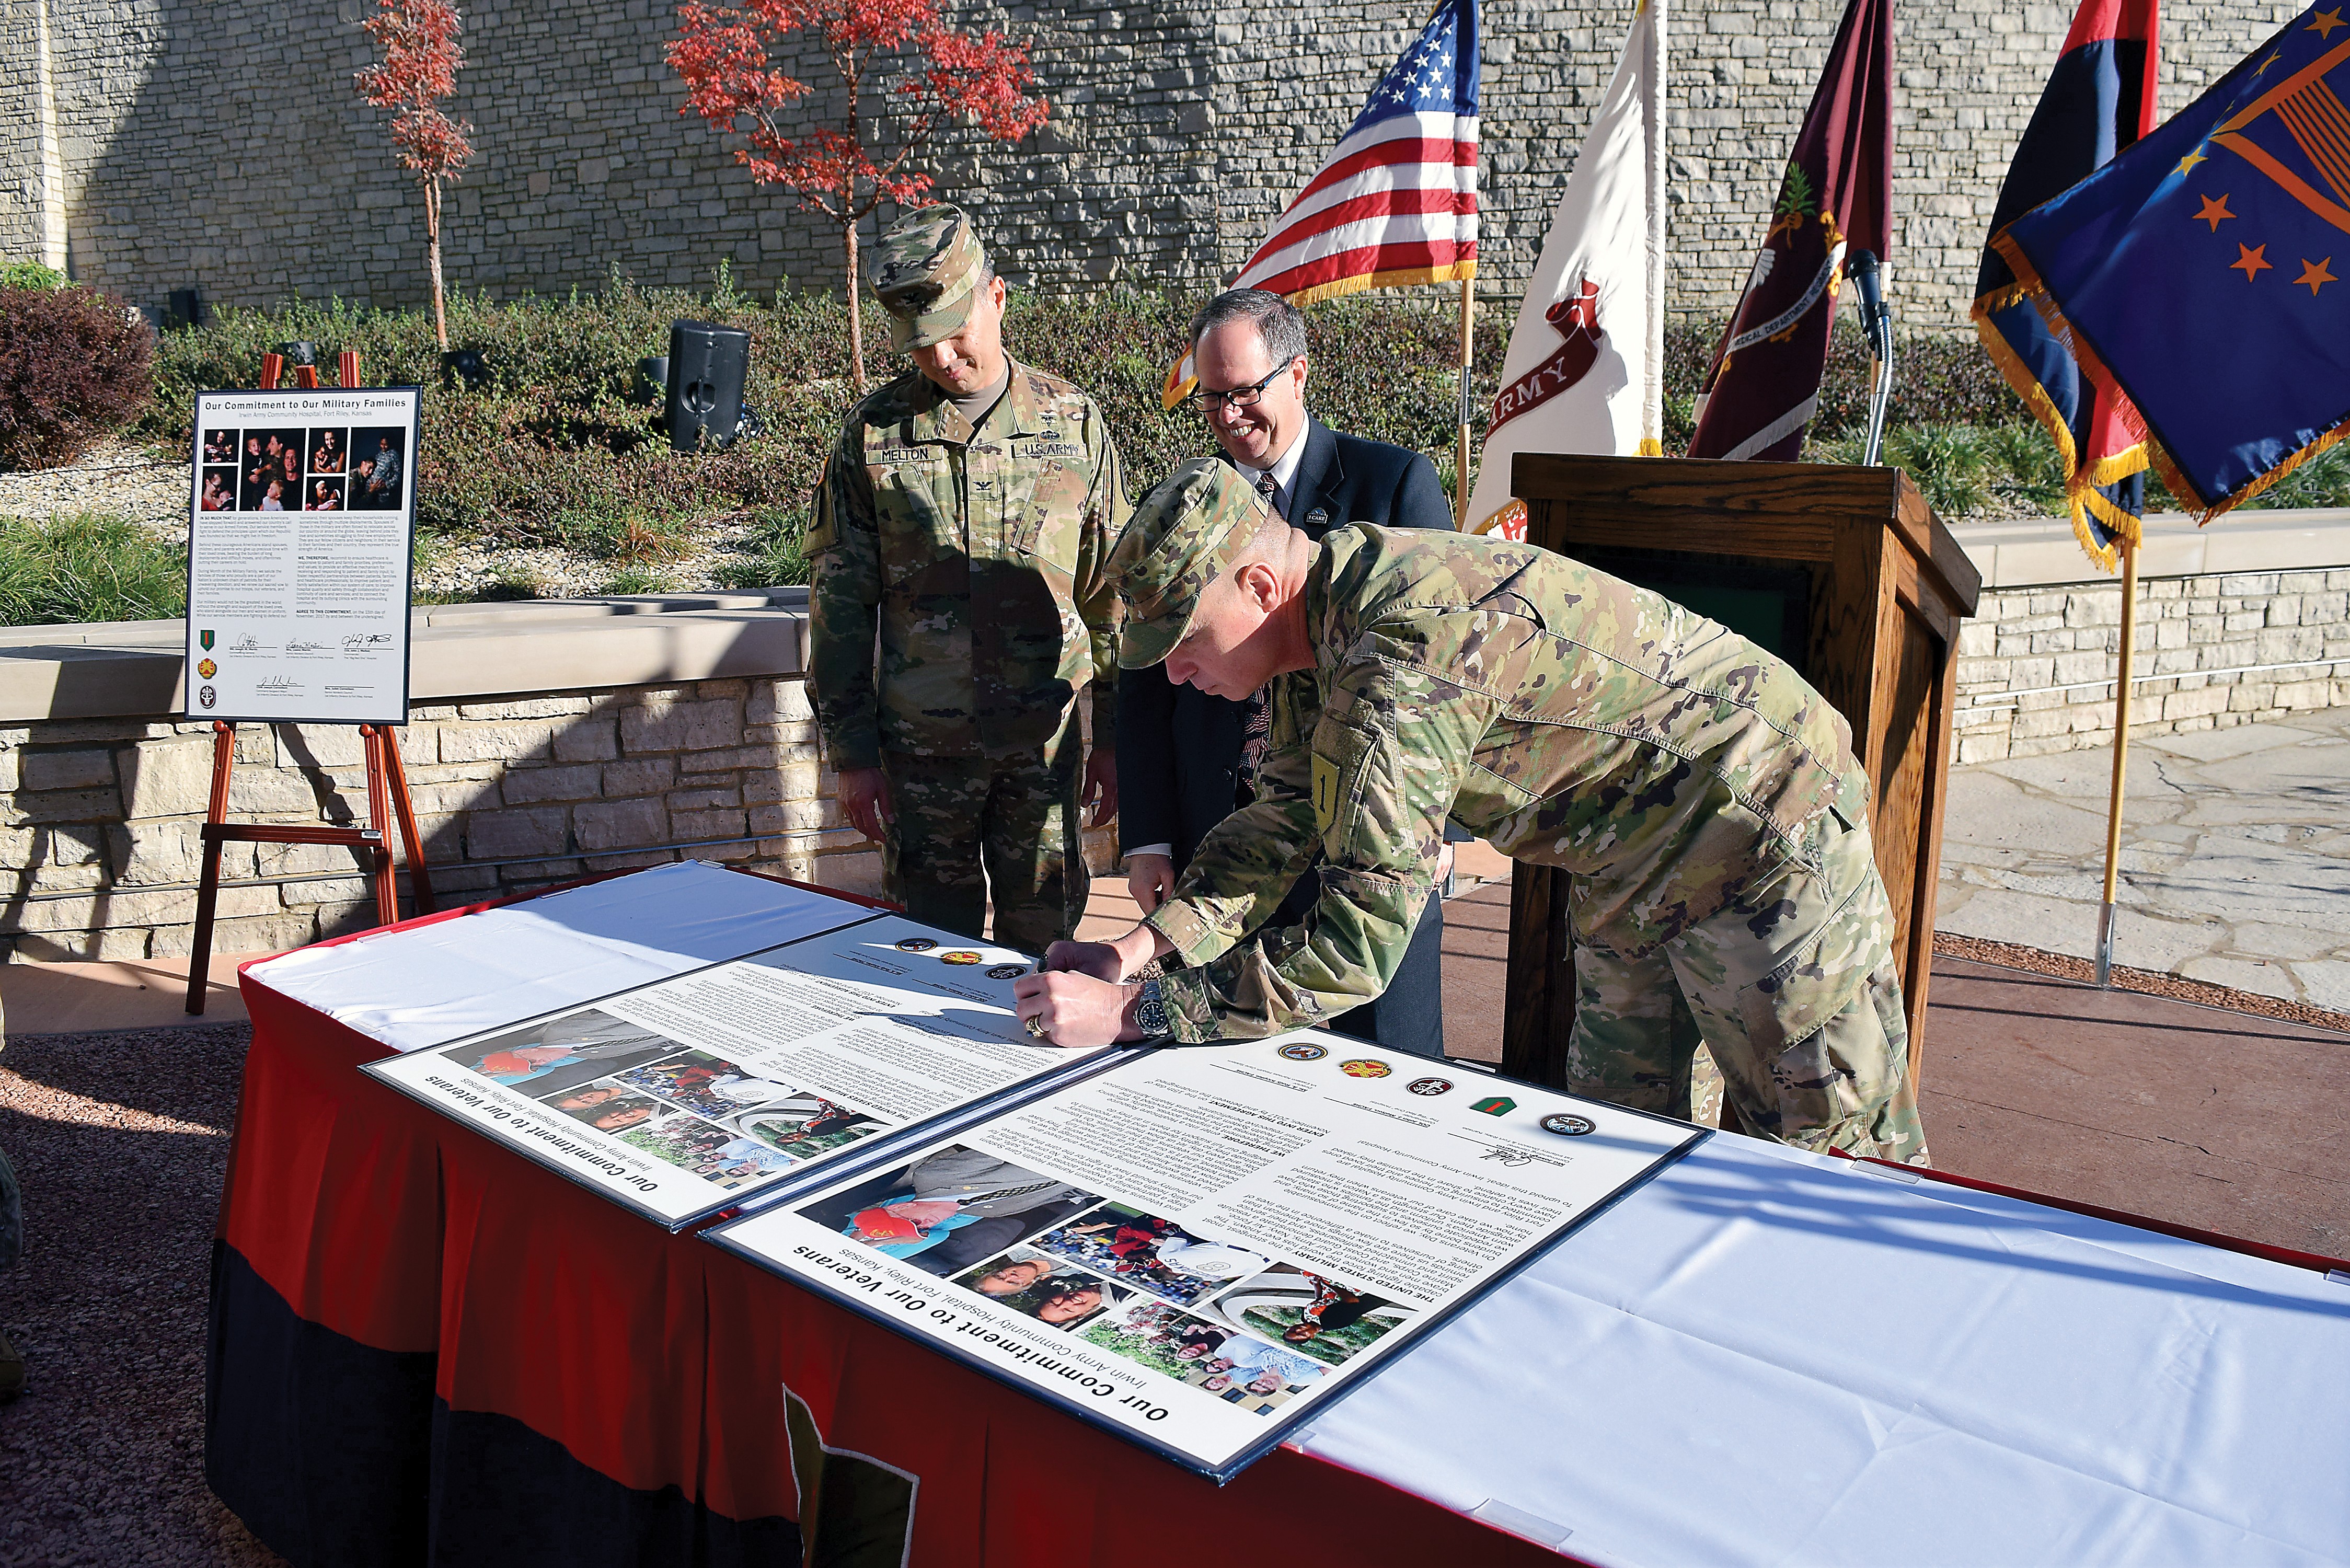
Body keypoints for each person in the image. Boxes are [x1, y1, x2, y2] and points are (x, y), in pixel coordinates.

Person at [1013, 460, 1929, 1166]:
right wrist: (1137, 949)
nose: (1174, 674)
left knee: (1832, 1153)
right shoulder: (1325, 618)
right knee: (1617, 1129)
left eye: (1180, 643)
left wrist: (1139, 1013)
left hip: (1762, 825)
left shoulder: (1398, 664)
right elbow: (1281, 822)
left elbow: (1356, 947)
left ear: (1257, 588)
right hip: (1631, 855)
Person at [1120, 289, 1456, 1059]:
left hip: (1371, 847)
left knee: (1390, 1073)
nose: (1228, 416)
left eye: (1245, 393)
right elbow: (1143, 684)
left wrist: (1440, 824)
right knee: (1241, 1068)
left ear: (1297, 375)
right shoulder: (1184, 506)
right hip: (1232, 838)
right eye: (1211, 398)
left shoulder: (1391, 490)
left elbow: (1447, 677)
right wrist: (1147, 842)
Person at [805, 203, 1127, 951]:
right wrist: (852, 756)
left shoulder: (1074, 424)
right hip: (923, 757)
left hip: (1041, 752)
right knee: (926, 948)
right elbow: (839, 608)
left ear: (998, 297)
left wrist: (1115, 738)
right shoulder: (873, 435)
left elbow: (1114, 596)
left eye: (956, 335)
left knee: (1048, 946)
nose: (944, 359)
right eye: (922, 347)